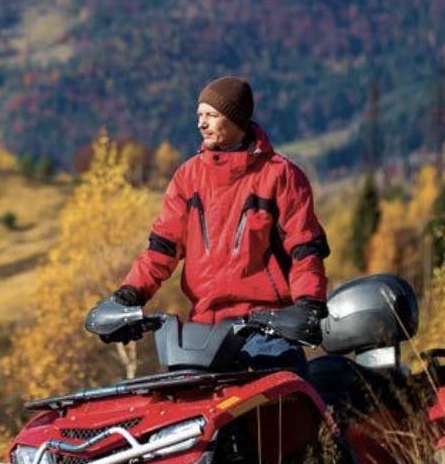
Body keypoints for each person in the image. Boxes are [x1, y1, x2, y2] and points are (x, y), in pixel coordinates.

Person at [108, 76, 330, 372]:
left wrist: (308, 304)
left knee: (282, 408)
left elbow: (304, 249)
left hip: (266, 330)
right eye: (199, 115)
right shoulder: (188, 177)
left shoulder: (281, 176)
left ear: (236, 118)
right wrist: (127, 296)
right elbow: (161, 250)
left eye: (211, 115)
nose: (202, 123)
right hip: (201, 334)